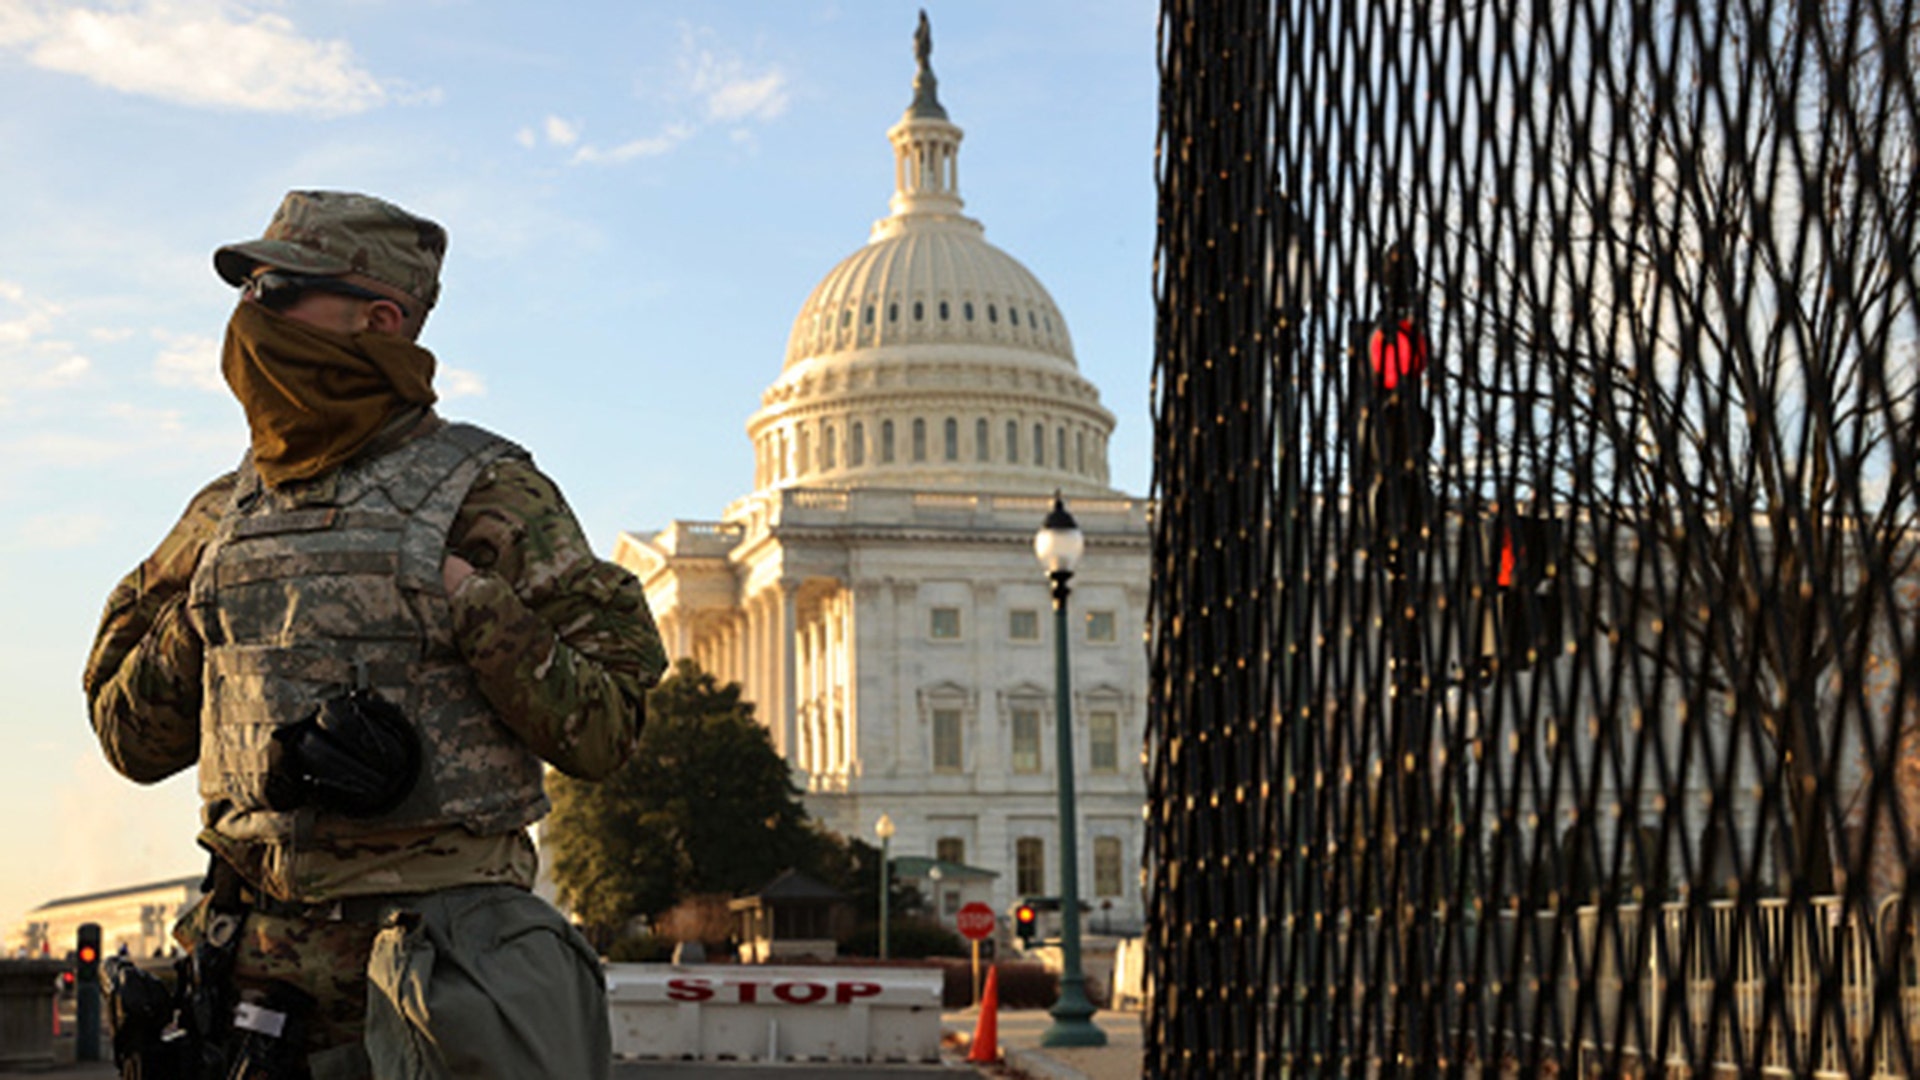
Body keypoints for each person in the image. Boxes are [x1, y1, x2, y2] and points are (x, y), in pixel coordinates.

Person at [83, 190, 667, 1079]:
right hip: (251, 996)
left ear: (379, 319)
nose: (251, 314)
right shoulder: (220, 517)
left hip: (441, 994)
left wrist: (476, 606)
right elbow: (128, 739)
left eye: (279, 289)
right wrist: (202, 615)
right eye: (246, 289)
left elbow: (607, 727)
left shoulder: (490, 494)